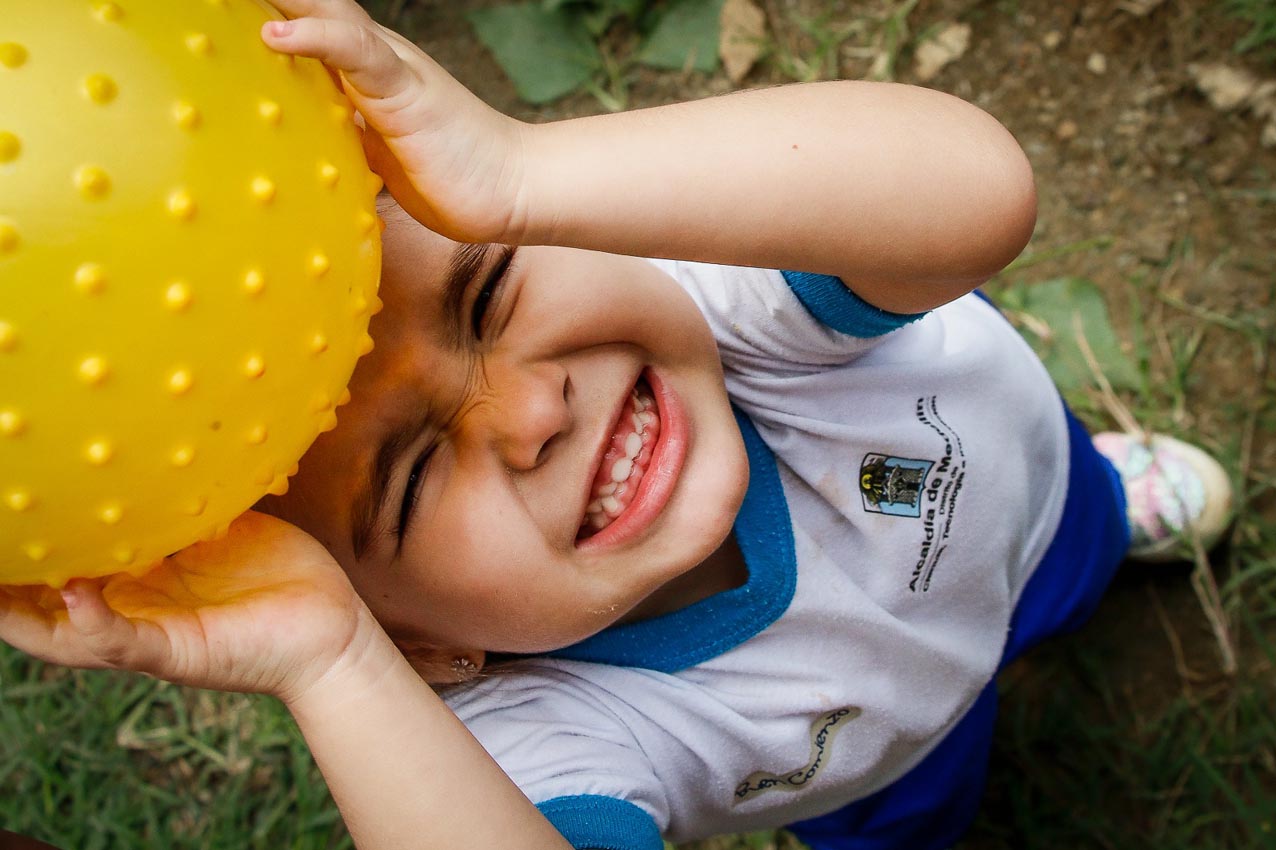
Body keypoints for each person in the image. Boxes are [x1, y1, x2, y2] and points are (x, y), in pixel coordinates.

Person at [0, 1, 1233, 848]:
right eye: (415, 478)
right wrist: (332, 660)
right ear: (425, 646)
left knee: (1062, 528)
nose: (530, 408)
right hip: (892, 757)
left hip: (1026, 484)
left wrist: (525, 170)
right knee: (923, 808)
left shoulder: (724, 292)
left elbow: (979, 191)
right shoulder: (544, 731)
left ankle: (1108, 520)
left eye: (489, 290)